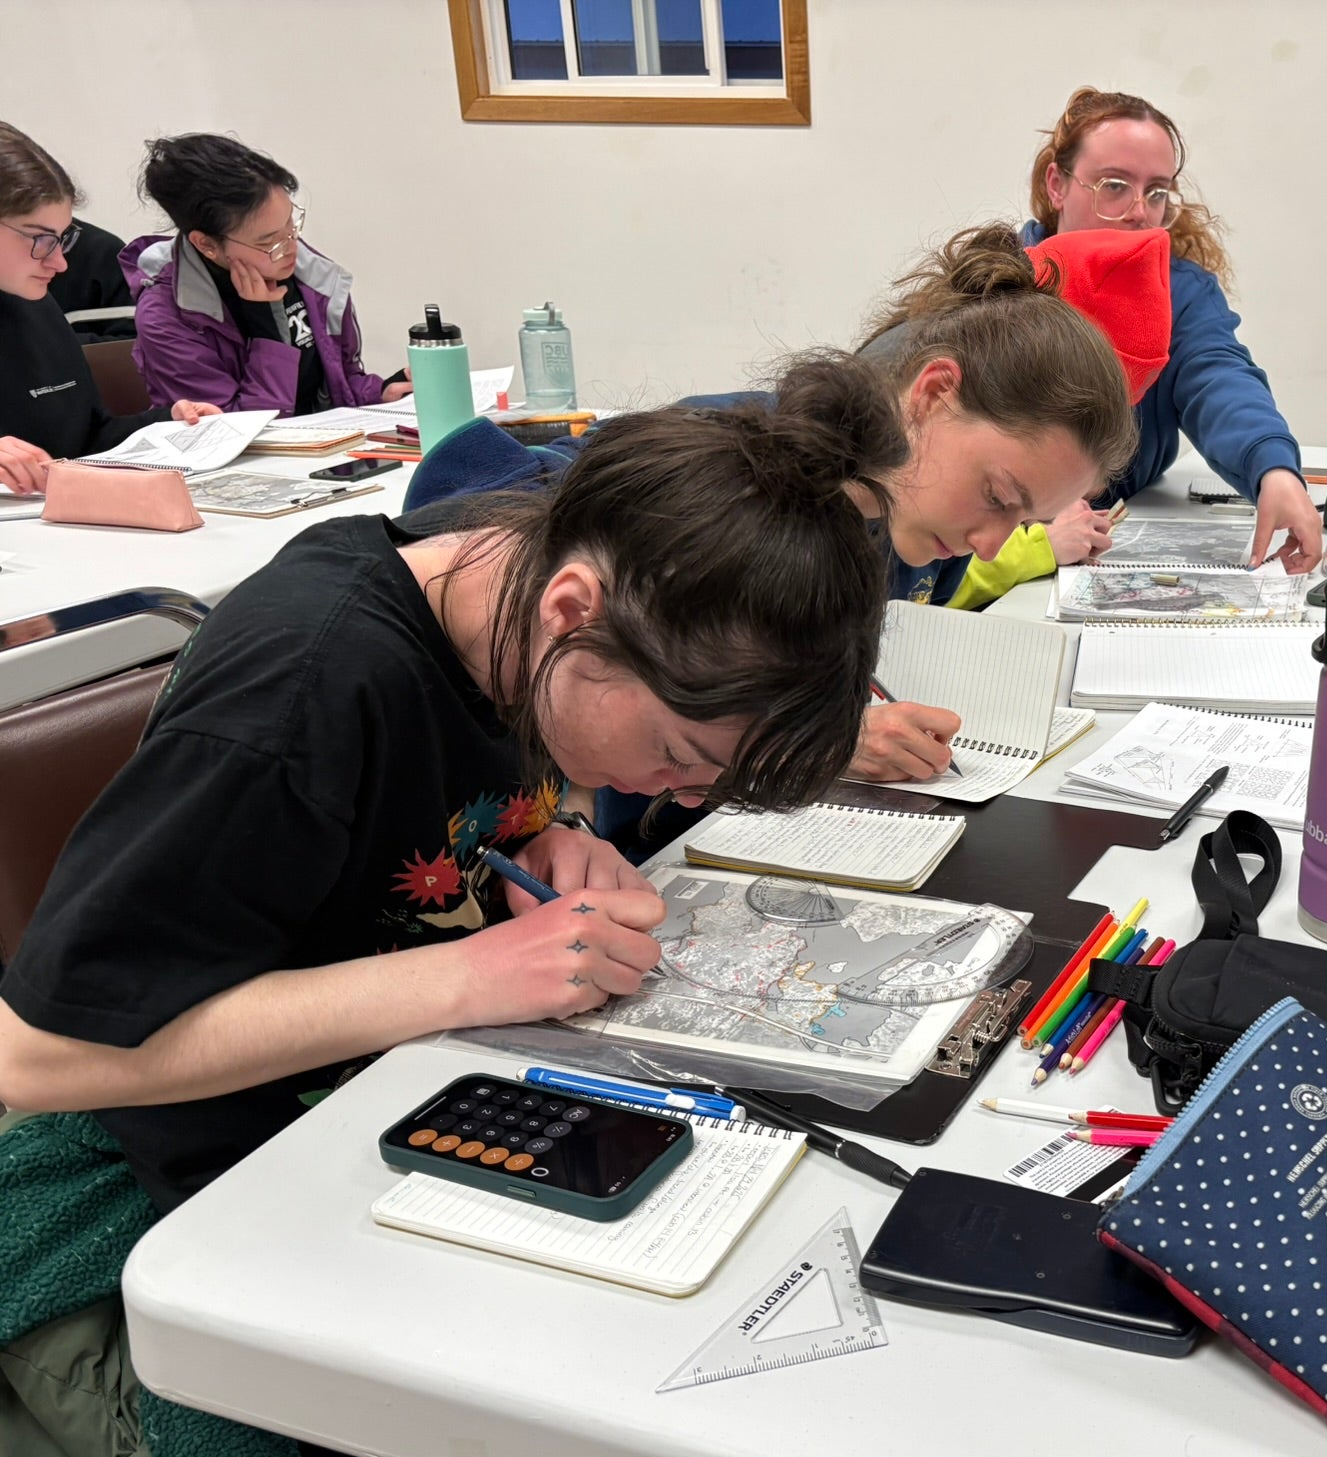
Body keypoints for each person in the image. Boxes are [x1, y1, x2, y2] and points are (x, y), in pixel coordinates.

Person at [0, 352, 906, 1209]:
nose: (687, 793)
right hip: (212, 1176)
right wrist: (469, 978)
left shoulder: (521, 607)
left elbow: (452, 794)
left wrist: (561, 838)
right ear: (573, 611)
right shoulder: (302, 693)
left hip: (411, 1089)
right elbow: (37, 1058)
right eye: (679, 753)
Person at [404, 223, 1139, 799]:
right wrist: (786, 734)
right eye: (999, 498)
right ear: (932, 392)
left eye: (1024, 523)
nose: (990, 545)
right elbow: (457, 495)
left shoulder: (917, 537)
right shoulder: (738, 486)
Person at [957, 85, 1326, 606]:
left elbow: (1217, 375)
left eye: (1156, 193)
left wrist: (1273, 469)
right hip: (1007, 543)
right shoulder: (1002, 285)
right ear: (1057, 185)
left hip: (1107, 539)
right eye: (1114, 186)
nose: (1139, 212)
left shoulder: (1181, 291)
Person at [123, 133, 411, 416]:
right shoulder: (166, 318)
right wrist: (267, 330)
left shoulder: (306, 274)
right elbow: (238, 431)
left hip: (327, 451)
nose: (291, 246)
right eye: (268, 242)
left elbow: (338, 384)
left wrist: (380, 393)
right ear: (206, 244)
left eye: (291, 224)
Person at [0, 123, 216, 495]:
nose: (60, 263)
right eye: (40, 239)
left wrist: (167, 423)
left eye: (62, 239)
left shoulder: (36, 307)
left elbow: (86, 438)